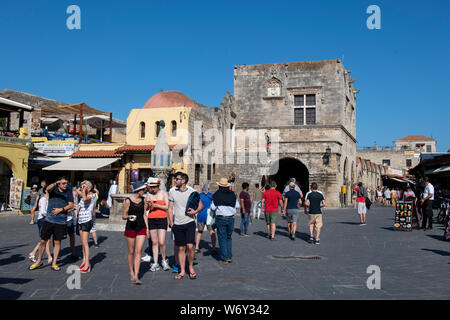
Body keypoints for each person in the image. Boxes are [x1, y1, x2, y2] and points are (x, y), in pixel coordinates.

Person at [29, 177, 74, 271]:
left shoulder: (68, 192)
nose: (66, 185)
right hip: (49, 220)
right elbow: (47, 189)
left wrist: (60, 210)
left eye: (66, 183)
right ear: (59, 184)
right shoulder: (53, 190)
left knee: (57, 242)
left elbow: (71, 205)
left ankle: (54, 263)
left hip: (61, 221)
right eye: (63, 183)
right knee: (43, 241)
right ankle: (39, 261)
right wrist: (55, 182)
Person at [168, 172, 203, 280]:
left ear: (183, 181)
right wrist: (171, 222)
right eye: (175, 179)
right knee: (181, 248)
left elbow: (201, 205)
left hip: (189, 222)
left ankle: (191, 267)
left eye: (177, 179)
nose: (175, 180)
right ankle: (182, 270)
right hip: (177, 224)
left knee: (190, 246)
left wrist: (195, 211)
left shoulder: (192, 192)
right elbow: (169, 208)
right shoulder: (172, 191)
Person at [123, 181, 149, 285]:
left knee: (139, 251)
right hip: (130, 227)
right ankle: (131, 272)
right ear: (138, 190)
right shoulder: (128, 200)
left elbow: (144, 215)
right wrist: (129, 217)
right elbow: (123, 215)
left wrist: (147, 229)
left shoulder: (144, 200)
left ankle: (137, 275)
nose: (144, 191)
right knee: (131, 251)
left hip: (141, 227)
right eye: (143, 190)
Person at [210, 178, 240, 264]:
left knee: (222, 237)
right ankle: (229, 256)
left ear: (219, 185)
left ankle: (224, 258)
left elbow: (213, 207)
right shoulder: (232, 194)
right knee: (228, 237)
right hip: (231, 218)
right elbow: (237, 206)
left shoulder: (216, 195)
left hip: (221, 218)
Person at [145, 177, 170, 272]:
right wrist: (147, 204)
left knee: (162, 241)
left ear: (158, 186)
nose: (153, 189)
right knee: (154, 242)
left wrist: (157, 205)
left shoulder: (164, 194)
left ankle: (164, 260)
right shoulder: (149, 195)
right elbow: (146, 209)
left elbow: (167, 206)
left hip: (162, 218)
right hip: (152, 219)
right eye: (151, 187)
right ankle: (155, 262)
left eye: (154, 187)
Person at [28, 186, 52, 264]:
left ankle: (33, 253)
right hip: (42, 220)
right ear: (46, 190)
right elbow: (42, 212)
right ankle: (48, 257)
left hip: (47, 220)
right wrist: (52, 214)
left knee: (46, 239)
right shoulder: (43, 199)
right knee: (45, 239)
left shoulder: (49, 200)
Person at [75, 180, 96, 273]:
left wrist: (83, 191)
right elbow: (77, 192)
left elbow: (84, 199)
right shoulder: (84, 195)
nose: (82, 188)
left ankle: (87, 264)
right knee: (83, 243)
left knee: (85, 243)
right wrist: (80, 188)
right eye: (82, 186)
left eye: (84, 186)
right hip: (80, 220)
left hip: (87, 220)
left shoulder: (91, 196)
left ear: (89, 188)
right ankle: (84, 262)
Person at [195, 184, 217, 255]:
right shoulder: (212, 196)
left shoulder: (199, 196)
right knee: (212, 232)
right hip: (209, 217)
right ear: (208, 189)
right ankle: (213, 248)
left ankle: (197, 247)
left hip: (201, 215)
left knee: (199, 232)